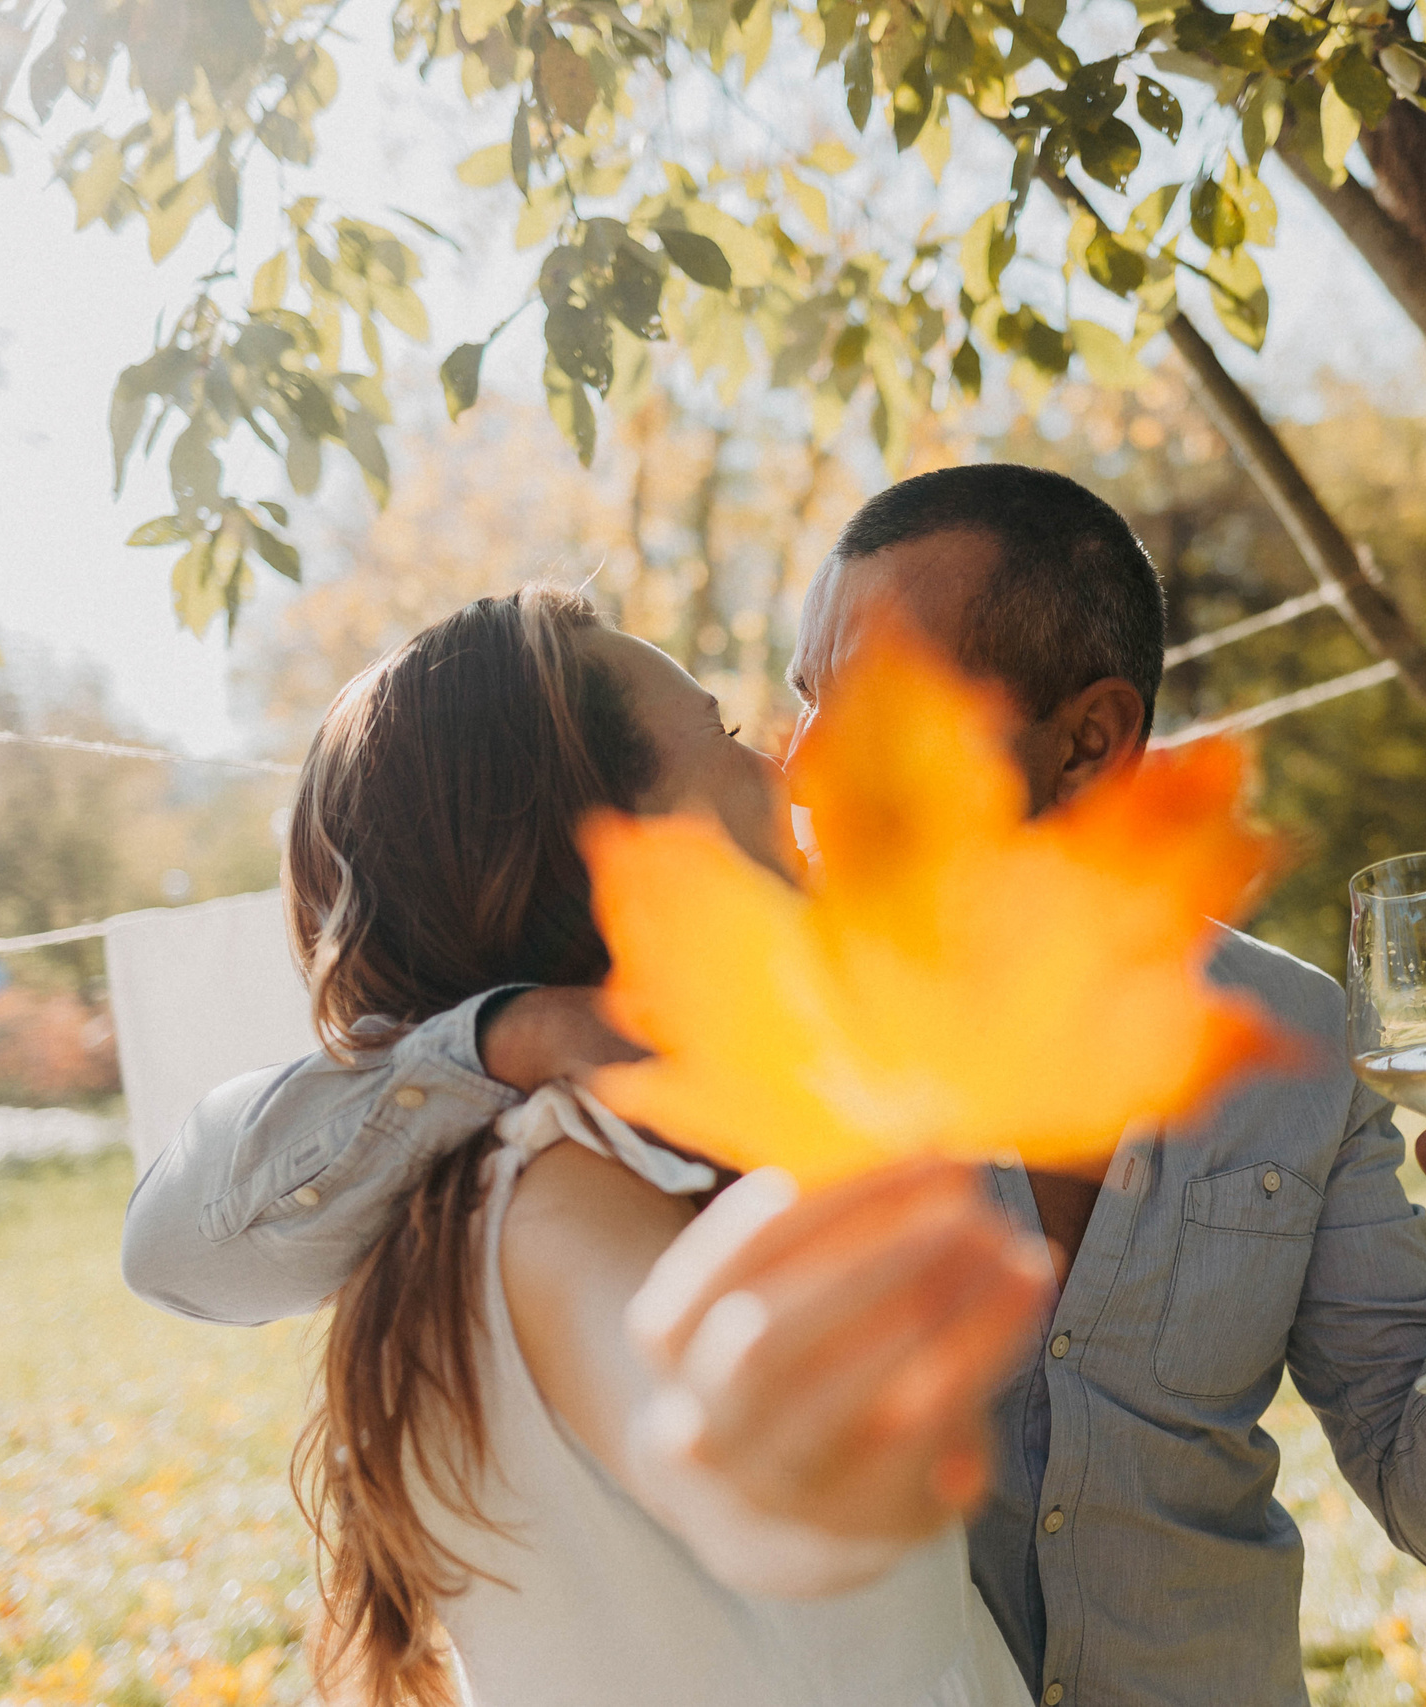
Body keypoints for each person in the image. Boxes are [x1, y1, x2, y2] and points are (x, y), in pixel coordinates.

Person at [124, 464, 1426, 1707]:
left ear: (1091, 742)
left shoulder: (1290, 1040)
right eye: (792, 702)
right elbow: (200, 1236)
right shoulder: (750, 1034)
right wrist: (508, 1028)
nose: (803, 764)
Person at [260, 589, 1042, 1707]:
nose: (781, 776)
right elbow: (692, 1428)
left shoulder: (607, 1157)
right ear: (613, 846)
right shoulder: (549, 1196)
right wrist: (777, 1477)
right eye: (724, 736)